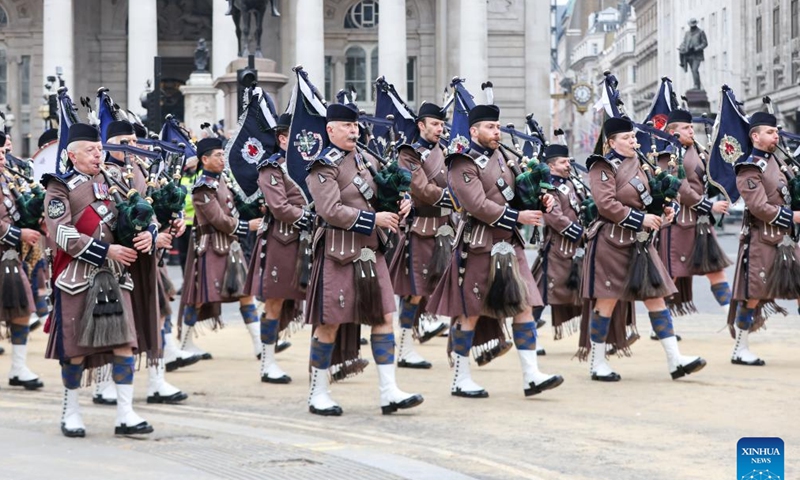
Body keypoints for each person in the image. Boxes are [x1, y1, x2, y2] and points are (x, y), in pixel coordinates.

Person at [426, 104, 563, 399]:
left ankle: (531, 375)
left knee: (524, 304)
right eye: (490, 127)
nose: (497, 132)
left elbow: (516, 193)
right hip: (477, 245)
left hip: (509, 245)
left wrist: (541, 200)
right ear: (474, 131)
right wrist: (518, 218)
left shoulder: (503, 157)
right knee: (470, 312)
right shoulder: (462, 162)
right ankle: (461, 378)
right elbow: (476, 205)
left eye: (498, 127)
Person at [304, 103, 423, 416]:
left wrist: (403, 200)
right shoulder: (322, 166)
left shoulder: (367, 158)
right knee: (329, 323)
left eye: (355, 126)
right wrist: (374, 220)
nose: (353, 131)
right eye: (346, 126)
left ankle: (389, 392)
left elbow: (384, 193)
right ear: (330, 130)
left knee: (385, 317)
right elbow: (330, 211)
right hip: (338, 252)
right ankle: (318, 392)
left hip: (371, 253)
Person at [43, 123, 154, 437]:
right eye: (90, 150)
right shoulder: (58, 187)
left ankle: (126, 414)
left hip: (116, 277)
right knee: (75, 350)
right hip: (78, 277)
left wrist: (148, 234)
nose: (98, 154)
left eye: (99, 149)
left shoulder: (115, 179)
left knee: (124, 344)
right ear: (71, 155)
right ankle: (71, 411)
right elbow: (61, 233)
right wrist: (107, 250)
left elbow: (145, 211)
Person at [581, 116, 706, 382]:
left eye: (634, 137)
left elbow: (645, 201)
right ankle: (597, 362)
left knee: (656, 297)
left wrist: (662, 213)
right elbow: (606, 204)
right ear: (611, 142)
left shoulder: (639, 164)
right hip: (611, 241)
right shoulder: (601, 166)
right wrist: (641, 219)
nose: (633, 141)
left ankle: (675, 360)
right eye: (626, 138)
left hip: (639, 243)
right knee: (607, 300)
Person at [91, 120, 194, 406]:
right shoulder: (102, 175)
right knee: (114, 321)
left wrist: (174, 221)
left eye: (134, 141)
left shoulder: (142, 170)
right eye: (124, 141)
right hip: (116, 260)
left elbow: (153, 209)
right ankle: (104, 382)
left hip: (146, 260)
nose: (132, 147)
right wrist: (151, 234)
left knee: (156, 313)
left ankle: (156, 380)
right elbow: (106, 220)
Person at [177, 137, 262, 359]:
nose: (223, 158)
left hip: (230, 247)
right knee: (199, 299)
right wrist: (247, 226)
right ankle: (185, 344)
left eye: (223, 154)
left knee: (246, 294)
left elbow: (234, 207)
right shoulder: (202, 187)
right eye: (218, 155)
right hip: (211, 247)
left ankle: (259, 344)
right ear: (204, 159)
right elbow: (219, 220)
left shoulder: (221, 179)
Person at [728, 112, 800, 366]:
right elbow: (758, 206)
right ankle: (740, 348)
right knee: (754, 295)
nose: (776, 136)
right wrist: (793, 217)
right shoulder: (749, 167)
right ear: (755, 136)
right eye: (770, 132)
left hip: (787, 241)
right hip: (763, 239)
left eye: (777, 132)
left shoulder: (779, 163)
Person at [388, 102, 452, 369]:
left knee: (443, 286)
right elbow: (422, 189)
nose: (439, 129)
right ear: (421, 125)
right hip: (420, 229)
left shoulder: (446, 151)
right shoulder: (409, 154)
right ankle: (405, 347)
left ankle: (431, 331)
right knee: (414, 292)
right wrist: (454, 197)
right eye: (434, 124)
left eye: (441, 124)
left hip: (445, 228)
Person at [243, 113, 306, 384]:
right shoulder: (272, 167)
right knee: (275, 301)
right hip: (283, 240)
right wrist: (310, 216)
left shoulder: (308, 165)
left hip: (310, 240)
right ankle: (267, 362)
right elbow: (279, 207)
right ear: (282, 138)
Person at [658, 109, 732, 329]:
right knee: (672, 276)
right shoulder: (668, 154)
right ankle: (662, 326)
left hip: (700, 223)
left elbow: (712, 176)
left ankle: (731, 320)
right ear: (673, 132)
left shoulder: (698, 150)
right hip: (678, 223)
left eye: (691, 127)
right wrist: (709, 205)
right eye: (686, 128)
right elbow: (680, 188)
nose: (692, 131)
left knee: (715, 270)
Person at [0, 129, 44, 390]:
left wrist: (36, 222)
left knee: (22, 311)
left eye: (3, 152)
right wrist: (19, 232)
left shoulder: (7, 178)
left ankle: (18, 368)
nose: (2, 157)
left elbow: (18, 211)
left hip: (9, 256)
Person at [532, 143, 586, 340]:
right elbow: (554, 217)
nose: (568, 165)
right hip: (557, 249)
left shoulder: (570, 183)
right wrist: (581, 233)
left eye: (568, 161)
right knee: (542, 294)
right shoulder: (549, 187)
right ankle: (530, 337)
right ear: (551, 166)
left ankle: (597, 337)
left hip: (576, 249)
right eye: (563, 162)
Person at [678, 18, 708, 90]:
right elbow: (684, 42)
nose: (692, 27)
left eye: (693, 25)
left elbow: (705, 43)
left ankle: (696, 86)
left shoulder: (700, 32)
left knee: (695, 70)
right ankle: (698, 85)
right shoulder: (687, 33)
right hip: (689, 55)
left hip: (697, 55)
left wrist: (696, 48)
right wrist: (682, 47)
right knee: (693, 71)